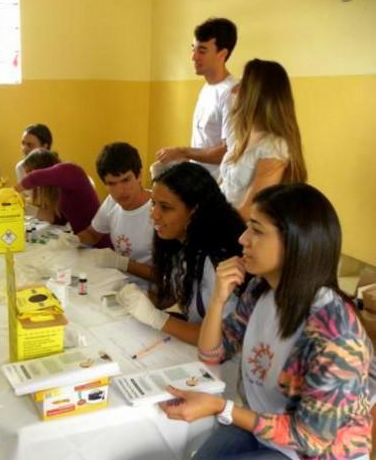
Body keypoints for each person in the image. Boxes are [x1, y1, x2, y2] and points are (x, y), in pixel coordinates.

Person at [159, 183, 372, 460]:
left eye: (257, 230)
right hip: (263, 429)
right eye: (248, 227)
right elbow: (213, 355)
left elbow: (310, 439)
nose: (243, 239)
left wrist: (223, 409)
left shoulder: (335, 333)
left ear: (296, 242)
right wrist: (218, 300)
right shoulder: (261, 289)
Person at [118, 162, 245, 345]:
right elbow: (181, 292)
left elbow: (220, 339)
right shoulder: (180, 242)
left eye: (165, 207)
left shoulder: (218, 259)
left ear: (195, 211)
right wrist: (143, 297)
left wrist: (157, 319)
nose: (154, 214)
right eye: (153, 203)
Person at [151, 18, 238, 179]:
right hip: (199, 181)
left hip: (219, 187)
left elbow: (228, 151)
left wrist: (182, 151)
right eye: (193, 49)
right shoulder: (206, 88)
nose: (193, 57)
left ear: (222, 54)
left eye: (202, 51)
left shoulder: (232, 93)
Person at [220, 59, 307, 219]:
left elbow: (251, 212)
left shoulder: (274, 146)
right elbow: (225, 189)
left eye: (242, 85)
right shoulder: (242, 136)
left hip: (241, 235)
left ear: (256, 95)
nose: (234, 90)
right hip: (225, 229)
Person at [77, 142, 153, 279]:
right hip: (119, 281)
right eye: (112, 184)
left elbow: (167, 277)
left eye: (126, 180)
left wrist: (122, 263)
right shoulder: (112, 201)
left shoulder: (158, 210)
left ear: (139, 175)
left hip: (149, 290)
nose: (120, 191)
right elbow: (93, 234)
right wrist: (73, 240)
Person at [13, 149, 104, 241]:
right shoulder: (60, 189)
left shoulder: (72, 171)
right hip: (85, 240)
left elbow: (34, 178)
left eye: (28, 172)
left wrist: (11, 192)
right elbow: (60, 219)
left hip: (99, 240)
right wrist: (29, 209)